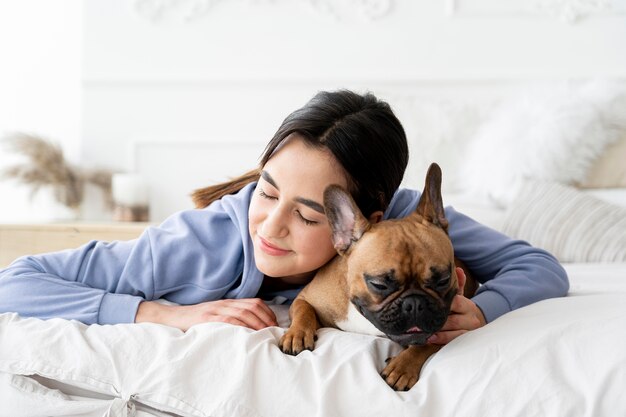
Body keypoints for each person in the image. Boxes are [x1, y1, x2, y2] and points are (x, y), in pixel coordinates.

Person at [0, 90, 568, 345]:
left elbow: (538, 265)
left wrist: (484, 311)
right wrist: (160, 313)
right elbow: (15, 281)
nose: (270, 227)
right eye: (266, 192)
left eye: (307, 214)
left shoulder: (403, 225)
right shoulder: (200, 243)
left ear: (359, 221)